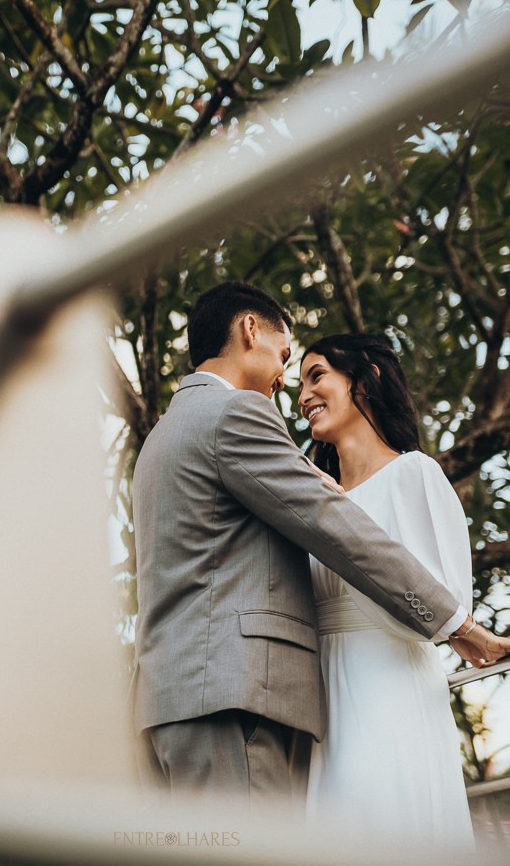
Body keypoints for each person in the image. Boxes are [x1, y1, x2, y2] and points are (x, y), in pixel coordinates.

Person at [131, 281, 509, 808]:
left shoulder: (162, 436)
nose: (287, 383)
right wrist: (460, 626)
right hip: (231, 700)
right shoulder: (235, 413)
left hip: (170, 701)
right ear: (249, 330)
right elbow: (333, 527)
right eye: (285, 357)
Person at [298, 333, 481, 846]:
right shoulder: (309, 497)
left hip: (388, 685)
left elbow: (442, 606)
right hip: (319, 696)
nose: (303, 395)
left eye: (317, 376)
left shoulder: (414, 473)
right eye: (299, 384)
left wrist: (343, 516)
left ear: (367, 378)